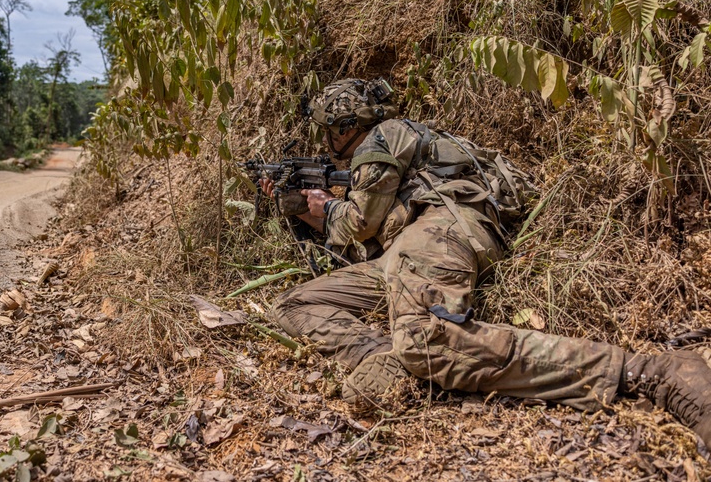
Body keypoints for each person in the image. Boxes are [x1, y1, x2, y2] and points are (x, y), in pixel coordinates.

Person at [260, 78, 711, 445]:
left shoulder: (382, 138)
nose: (328, 138)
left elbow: (358, 222)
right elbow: (350, 243)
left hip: (440, 233)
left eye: (330, 128)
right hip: (400, 256)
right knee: (293, 305)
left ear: (343, 124)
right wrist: (302, 211)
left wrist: (321, 206)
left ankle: (650, 373)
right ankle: (385, 357)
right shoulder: (398, 142)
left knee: (424, 341)